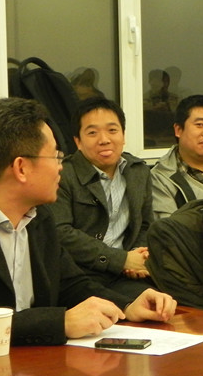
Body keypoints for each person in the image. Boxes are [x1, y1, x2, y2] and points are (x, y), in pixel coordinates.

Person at [0, 98, 176, 354]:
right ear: (21, 168)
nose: (61, 167)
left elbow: (70, 283)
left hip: (31, 362)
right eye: (55, 157)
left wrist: (126, 305)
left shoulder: (37, 216)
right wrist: (60, 322)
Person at [48, 97, 155, 298]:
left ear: (123, 135)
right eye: (92, 133)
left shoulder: (138, 171)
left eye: (112, 130)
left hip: (127, 274)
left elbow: (146, 224)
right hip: (80, 276)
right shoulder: (63, 175)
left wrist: (137, 258)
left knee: (166, 303)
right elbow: (60, 233)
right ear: (78, 142)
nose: (104, 139)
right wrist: (120, 260)